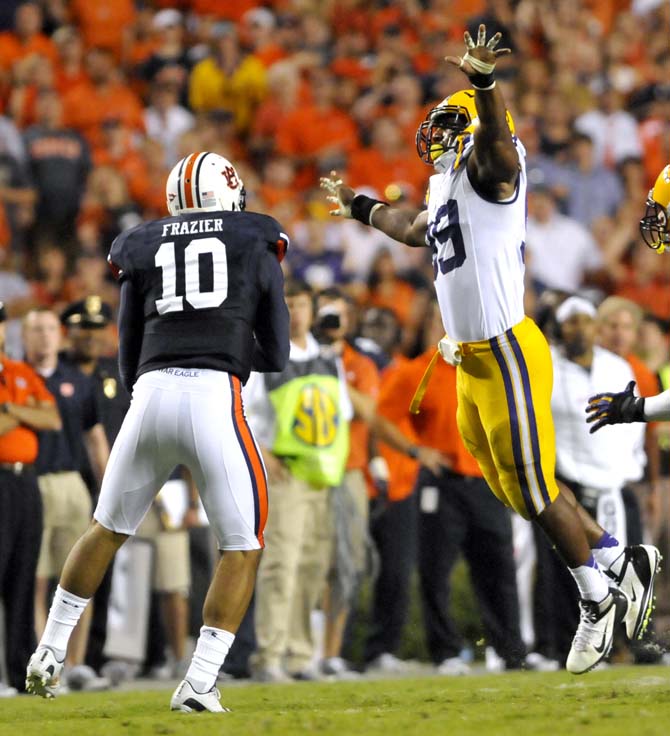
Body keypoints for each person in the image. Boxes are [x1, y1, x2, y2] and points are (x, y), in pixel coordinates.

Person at [321, 24, 658, 675]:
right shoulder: (445, 187)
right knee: (513, 487)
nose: (438, 133)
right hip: (471, 357)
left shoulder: (492, 169)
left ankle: (597, 598)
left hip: (506, 348)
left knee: (532, 487)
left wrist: (484, 85)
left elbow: (498, 150)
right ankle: (617, 559)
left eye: (452, 122)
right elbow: (412, 228)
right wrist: (360, 206)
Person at [25, 151, 290, 713]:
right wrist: (224, 346)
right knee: (243, 545)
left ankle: (48, 653)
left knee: (104, 529)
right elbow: (280, 349)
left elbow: (125, 348)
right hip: (214, 396)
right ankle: (198, 681)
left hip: (147, 395)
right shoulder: (253, 237)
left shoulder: (142, 244)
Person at [243, 279, 352, 682]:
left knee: (311, 567)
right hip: (285, 473)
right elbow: (242, 412)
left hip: (322, 475)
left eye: (303, 304)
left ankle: (300, 655)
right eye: (289, 304)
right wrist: (265, 455)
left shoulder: (328, 358)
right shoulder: (266, 357)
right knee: (280, 565)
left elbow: (342, 416)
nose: (298, 312)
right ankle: (270, 656)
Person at [22, 307, 110, 689]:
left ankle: (73, 663)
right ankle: (45, 663)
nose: (43, 337)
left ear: (59, 336)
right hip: (30, 482)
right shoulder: (15, 377)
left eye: (48, 330)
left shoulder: (78, 380)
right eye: (35, 330)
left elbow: (95, 437)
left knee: (76, 577)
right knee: (36, 579)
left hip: (73, 483)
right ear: (24, 337)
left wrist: (108, 487)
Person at [0, 301, 61, 695]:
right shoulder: (21, 378)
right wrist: (26, 412)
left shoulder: (20, 372)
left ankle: (22, 678)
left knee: (23, 580)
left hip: (27, 484)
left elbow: (52, 419)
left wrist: (9, 408)